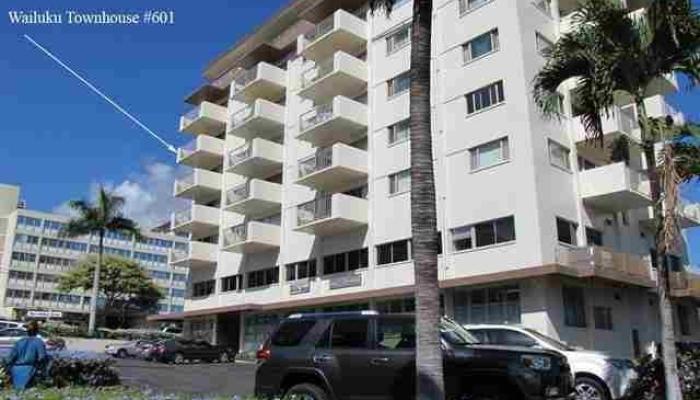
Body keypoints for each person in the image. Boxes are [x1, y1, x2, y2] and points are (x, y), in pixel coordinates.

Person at [5, 321, 47, 390]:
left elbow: (10, 358)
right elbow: (42, 357)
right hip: (30, 370)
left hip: (16, 370)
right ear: (37, 331)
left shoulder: (19, 342)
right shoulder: (38, 342)